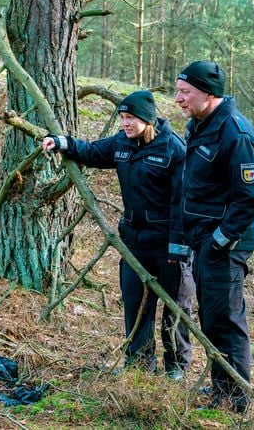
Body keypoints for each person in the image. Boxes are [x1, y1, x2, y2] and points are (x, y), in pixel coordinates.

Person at [43, 90, 193, 380]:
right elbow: (93, 151)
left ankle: (175, 365)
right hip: (134, 242)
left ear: (147, 119)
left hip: (169, 244)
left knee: (175, 305)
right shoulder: (122, 143)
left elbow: (182, 203)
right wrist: (62, 142)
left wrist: (178, 248)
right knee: (136, 302)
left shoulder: (174, 150)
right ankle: (138, 362)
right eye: (122, 117)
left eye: (131, 118)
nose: (125, 123)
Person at [174, 61, 254, 413]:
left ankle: (236, 401)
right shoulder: (200, 125)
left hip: (224, 245)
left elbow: (250, 198)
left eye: (185, 92)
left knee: (225, 321)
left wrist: (218, 242)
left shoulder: (236, 134)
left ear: (208, 93)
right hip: (205, 241)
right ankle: (222, 392)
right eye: (178, 90)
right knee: (212, 318)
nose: (178, 98)